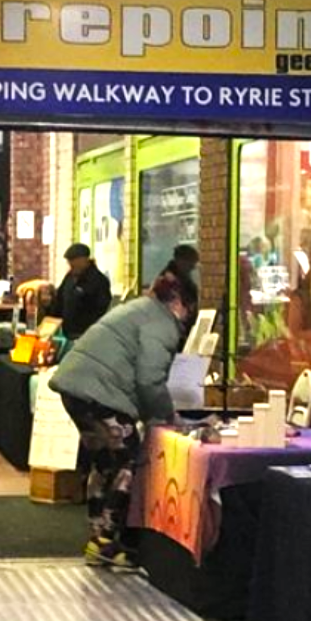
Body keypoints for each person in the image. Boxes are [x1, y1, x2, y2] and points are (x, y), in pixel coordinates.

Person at [49, 274, 188, 569]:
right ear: (177, 303)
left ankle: (97, 536)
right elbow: (149, 379)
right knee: (131, 461)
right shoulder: (162, 323)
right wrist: (166, 418)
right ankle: (108, 541)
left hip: (75, 389)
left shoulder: (136, 309)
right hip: (101, 396)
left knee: (104, 462)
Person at [46, 242, 112, 340]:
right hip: (67, 334)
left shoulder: (98, 280)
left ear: (84, 259)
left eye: (73, 260)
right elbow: (59, 301)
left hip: (86, 335)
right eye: (69, 261)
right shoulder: (69, 277)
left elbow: (102, 309)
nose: (70, 264)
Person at [156, 244, 200, 344]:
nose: (192, 268)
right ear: (180, 261)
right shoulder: (167, 282)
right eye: (191, 263)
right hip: (172, 335)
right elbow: (176, 311)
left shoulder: (184, 280)